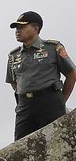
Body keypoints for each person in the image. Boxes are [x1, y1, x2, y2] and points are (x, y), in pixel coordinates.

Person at [6, 11, 76, 141]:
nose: (17, 31)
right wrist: (25, 93)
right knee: (21, 146)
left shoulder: (53, 48)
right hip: (25, 106)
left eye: (22, 27)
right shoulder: (13, 56)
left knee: (54, 143)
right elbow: (13, 81)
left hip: (50, 102)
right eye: (16, 28)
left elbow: (72, 73)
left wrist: (61, 100)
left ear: (35, 28)